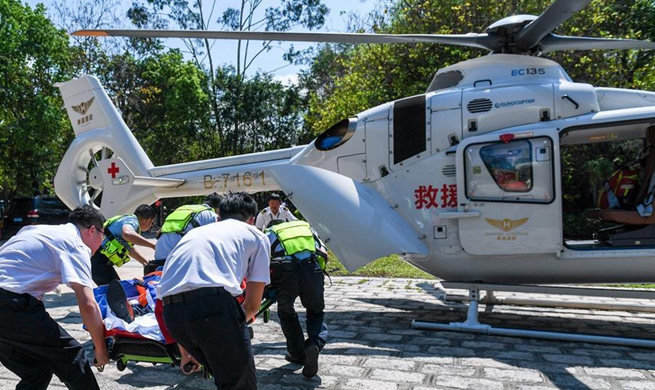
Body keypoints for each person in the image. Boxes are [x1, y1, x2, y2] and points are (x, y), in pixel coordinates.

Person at [158, 191, 270, 390]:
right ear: (251, 220)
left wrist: (186, 353)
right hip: (212, 308)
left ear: (218, 217)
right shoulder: (257, 236)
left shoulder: (193, 234)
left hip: (172, 315)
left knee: (222, 374)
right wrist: (231, 327)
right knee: (240, 383)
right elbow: (252, 305)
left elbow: (179, 291)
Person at [0, 205, 110, 390]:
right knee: (74, 357)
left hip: (10, 306)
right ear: (92, 230)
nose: (101, 242)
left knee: (37, 372)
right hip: (10, 305)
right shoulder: (75, 244)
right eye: (103, 235)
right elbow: (88, 304)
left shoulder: (38, 229)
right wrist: (100, 349)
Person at [265, 219, 328, 378]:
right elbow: (324, 253)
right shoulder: (306, 226)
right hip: (312, 270)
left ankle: (298, 354)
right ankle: (314, 344)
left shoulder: (270, 233)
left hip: (286, 274)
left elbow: (261, 262)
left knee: (286, 312)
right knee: (315, 311)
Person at [91, 204, 156, 286]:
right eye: (152, 223)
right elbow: (127, 233)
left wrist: (145, 262)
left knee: (116, 289)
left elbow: (127, 248)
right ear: (148, 219)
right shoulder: (132, 221)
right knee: (116, 292)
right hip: (98, 260)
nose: (151, 226)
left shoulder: (126, 219)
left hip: (98, 259)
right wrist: (153, 246)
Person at [152, 193, 221, 264]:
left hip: (159, 257)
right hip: (176, 260)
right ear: (218, 208)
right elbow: (216, 243)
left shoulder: (183, 208)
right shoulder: (211, 215)